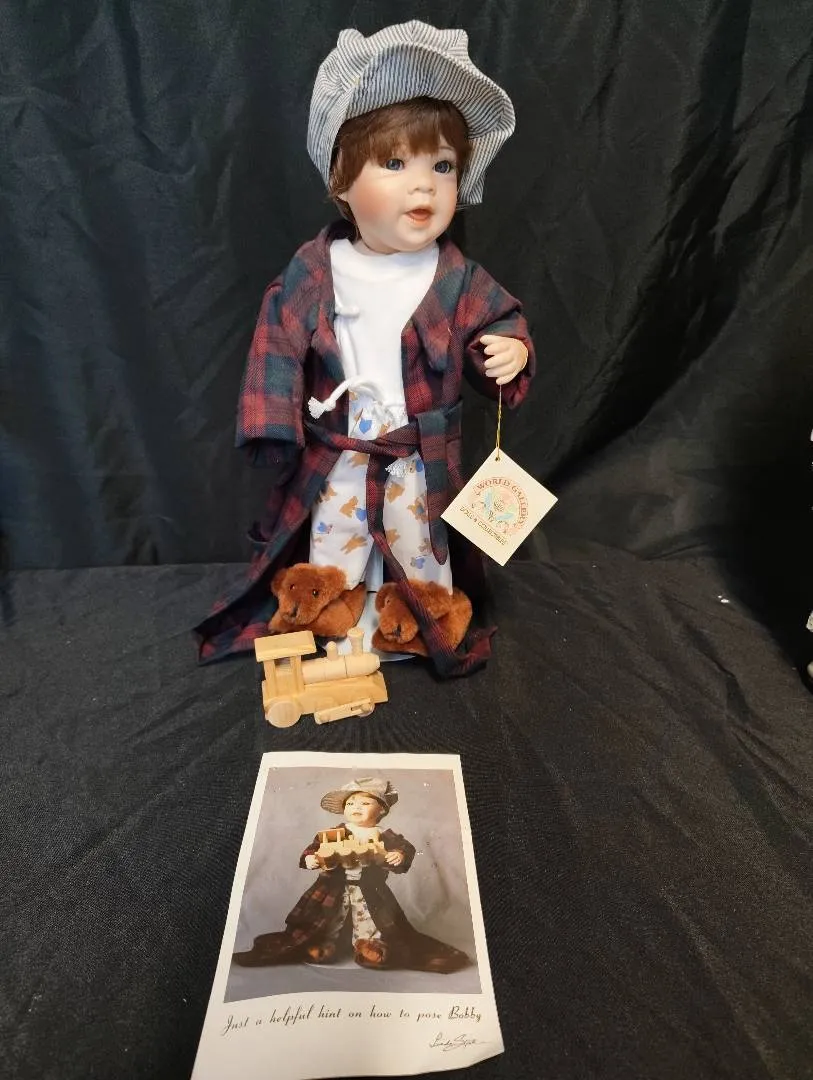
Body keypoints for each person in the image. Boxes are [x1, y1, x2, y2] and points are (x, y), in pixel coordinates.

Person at [195, 21, 536, 678]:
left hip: (418, 458)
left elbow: (501, 319)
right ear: (341, 180)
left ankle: (414, 622)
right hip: (342, 453)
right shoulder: (316, 271)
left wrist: (509, 349)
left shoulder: (458, 279)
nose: (423, 186)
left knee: (418, 543)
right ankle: (337, 621)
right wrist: (273, 426)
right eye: (394, 164)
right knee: (337, 539)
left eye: (442, 166)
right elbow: (276, 343)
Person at [233, 777, 470, 973]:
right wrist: (311, 858)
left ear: (381, 810)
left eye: (365, 803)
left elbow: (405, 848)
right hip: (332, 888)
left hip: (370, 890)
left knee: (371, 919)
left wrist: (398, 855)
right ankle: (326, 942)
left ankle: (369, 943)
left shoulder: (385, 835)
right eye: (351, 803)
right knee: (327, 917)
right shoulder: (335, 833)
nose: (356, 806)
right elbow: (313, 848)